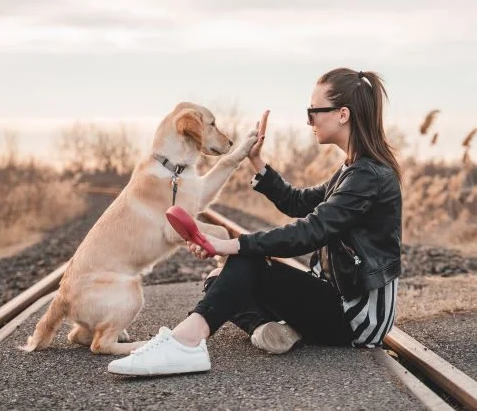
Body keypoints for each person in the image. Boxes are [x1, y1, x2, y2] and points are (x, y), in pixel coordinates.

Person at [108, 68, 402, 376]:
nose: (308, 120)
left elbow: (311, 231)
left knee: (243, 264)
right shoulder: (353, 169)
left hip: (356, 316)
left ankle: (186, 342)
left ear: (343, 114)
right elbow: (298, 202)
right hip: (335, 298)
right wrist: (256, 161)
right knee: (218, 281)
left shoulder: (368, 176)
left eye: (313, 111)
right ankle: (269, 329)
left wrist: (232, 244)